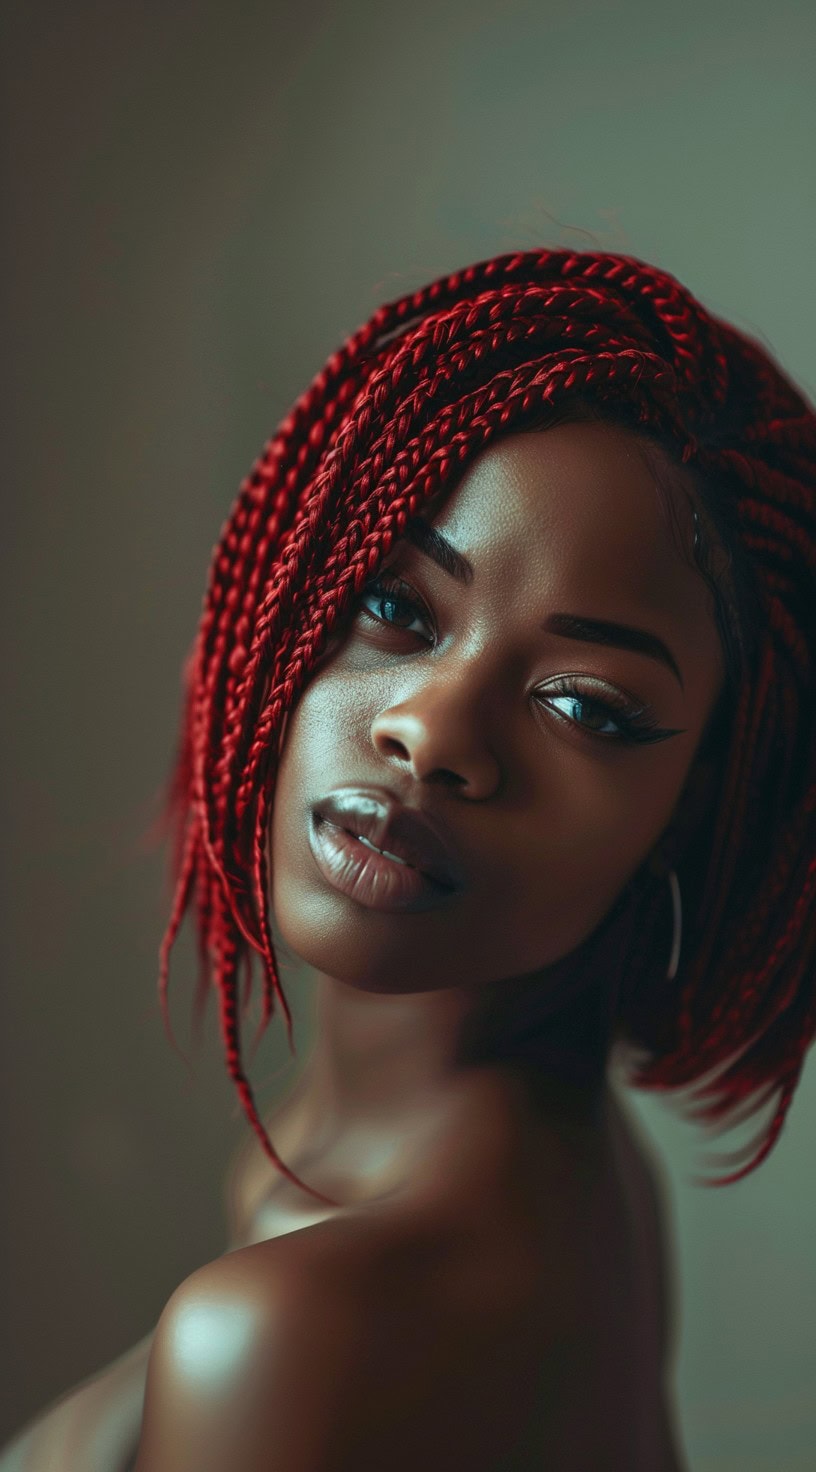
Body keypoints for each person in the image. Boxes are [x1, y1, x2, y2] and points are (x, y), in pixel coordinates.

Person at [3, 248, 814, 1470]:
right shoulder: (548, 1157)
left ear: (695, 803)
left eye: (586, 705)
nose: (429, 731)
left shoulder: (312, 1323)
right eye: (396, 604)